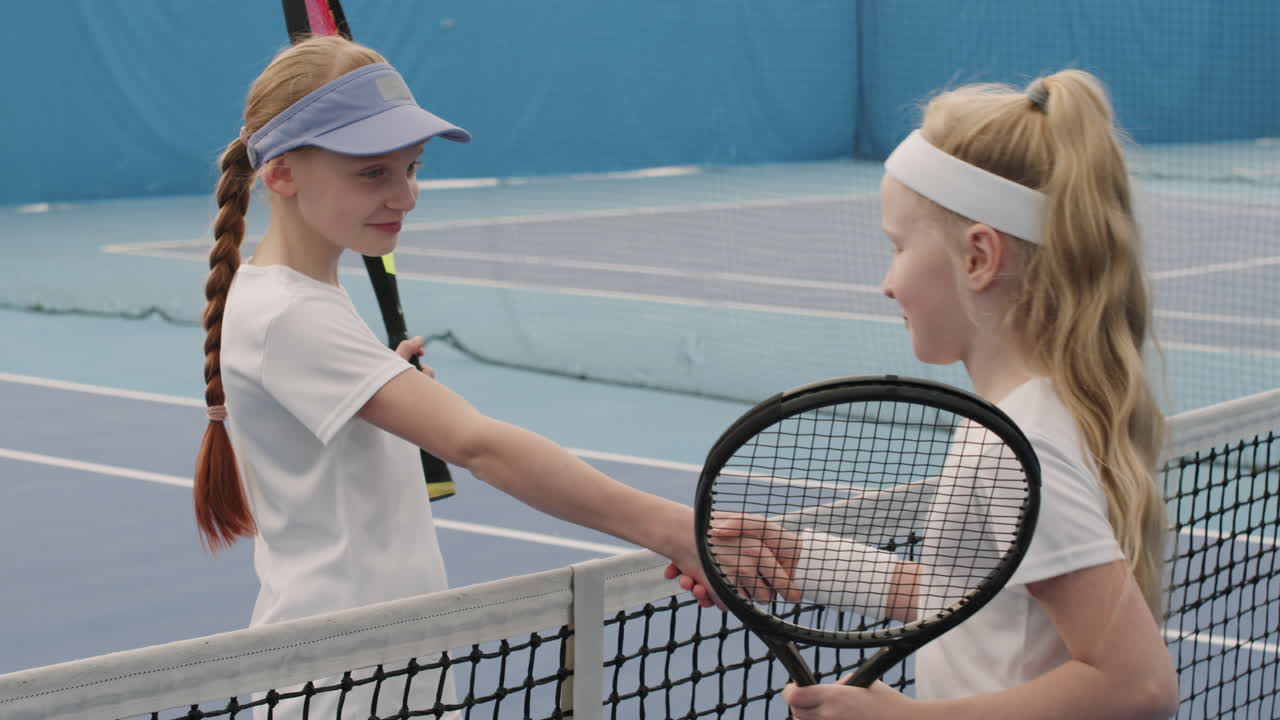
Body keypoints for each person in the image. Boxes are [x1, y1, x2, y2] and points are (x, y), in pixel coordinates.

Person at [193, 35, 792, 717]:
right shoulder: (290, 315)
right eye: (372, 174)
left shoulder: (295, 300)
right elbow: (478, 445)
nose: (406, 195)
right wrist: (675, 529)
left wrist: (381, 386)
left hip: (379, 668)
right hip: (339, 687)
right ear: (280, 174)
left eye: (412, 167)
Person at [671, 69, 1181, 719]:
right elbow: (980, 601)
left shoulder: (1020, 446)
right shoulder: (1014, 420)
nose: (887, 282)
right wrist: (806, 560)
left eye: (898, 247)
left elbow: (1137, 685)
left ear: (978, 257)